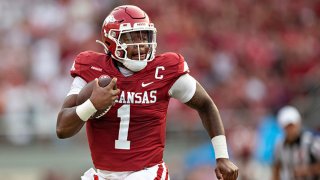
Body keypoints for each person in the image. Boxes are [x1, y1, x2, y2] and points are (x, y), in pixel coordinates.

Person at [56, 5, 238, 180]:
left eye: (144, 36)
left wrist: (222, 155)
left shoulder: (164, 70)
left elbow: (205, 104)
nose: (141, 45)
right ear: (110, 40)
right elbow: (62, 128)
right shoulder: (92, 68)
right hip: (103, 174)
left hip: (148, 173)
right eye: (131, 38)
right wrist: (92, 105)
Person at [273, 105, 320, 180]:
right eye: (287, 126)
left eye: (292, 126)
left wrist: (307, 170)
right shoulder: (280, 144)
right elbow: (277, 167)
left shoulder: (311, 141)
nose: (290, 129)